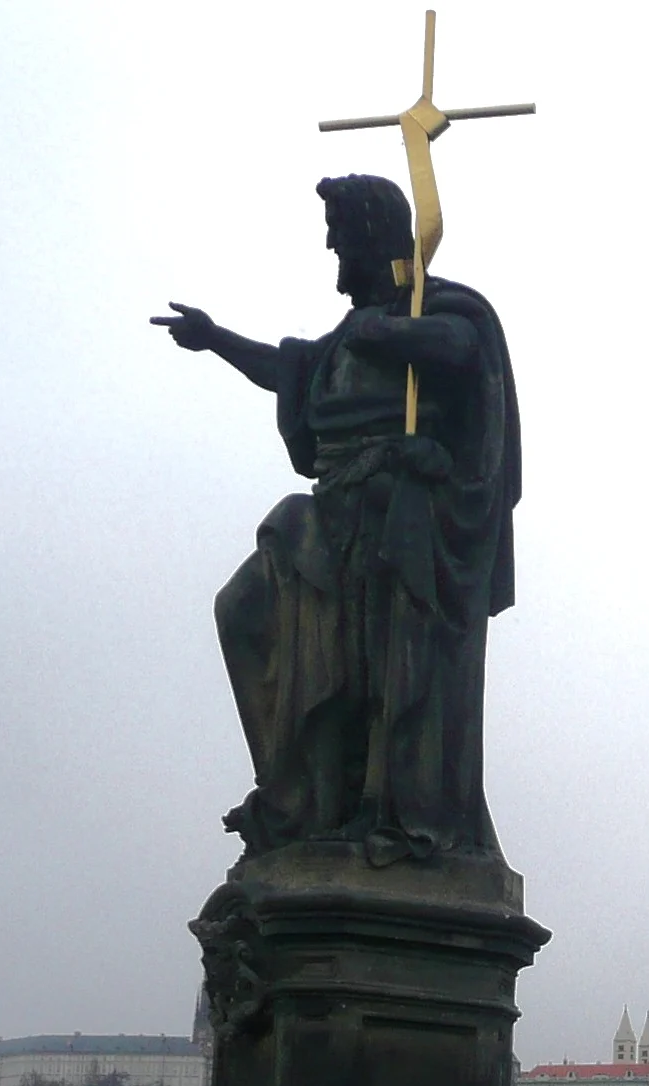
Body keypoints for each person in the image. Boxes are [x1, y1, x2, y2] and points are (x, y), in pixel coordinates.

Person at [153, 172, 520, 863]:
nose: (332, 254)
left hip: (403, 522)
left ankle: (391, 812)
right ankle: (303, 795)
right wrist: (214, 338)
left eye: (339, 240)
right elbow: (287, 366)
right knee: (246, 609)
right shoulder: (351, 333)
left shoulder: (438, 309)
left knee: (389, 671)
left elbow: (462, 351)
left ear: (373, 240)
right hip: (333, 513)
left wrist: (392, 331)